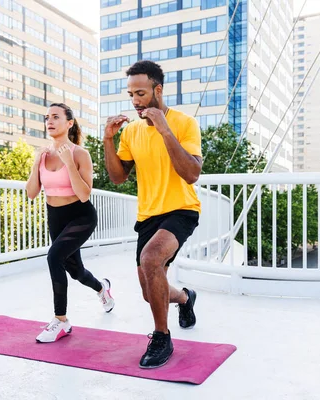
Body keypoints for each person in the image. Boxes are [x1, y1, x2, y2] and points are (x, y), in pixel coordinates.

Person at [103, 60, 202, 368]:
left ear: (158, 90)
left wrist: (164, 130)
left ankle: (162, 337)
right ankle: (185, 298)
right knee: (150, 293)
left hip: (182, 209)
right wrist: (108, 139)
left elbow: (192, 173)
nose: (135, 101)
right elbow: (118, 177)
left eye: (141, 93)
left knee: (150, 259)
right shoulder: (130, 132)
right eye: (131, 94)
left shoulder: (185, 123)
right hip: (148, 216)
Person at [26, 103, 115, 343]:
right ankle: (102, 288)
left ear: (69, 123)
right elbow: (32, 193)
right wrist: (36, 164)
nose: (50, 121)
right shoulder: (43, 155)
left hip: (80, 216)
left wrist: (68, 162)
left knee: (54, 257)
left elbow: (85, 194)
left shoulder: (79, 154)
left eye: (55, 117)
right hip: (55, 217)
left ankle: (61, 321)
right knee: (75, 271)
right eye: (47, 118)